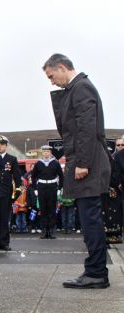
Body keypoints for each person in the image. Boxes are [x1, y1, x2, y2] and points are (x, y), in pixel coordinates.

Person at [43, 53, 111, 289]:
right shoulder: (76, 88)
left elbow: (86, 128)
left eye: (51, 76)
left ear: (61, 67)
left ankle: (96, 273)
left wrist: (82, 163)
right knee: (89, 218)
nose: (51, 81)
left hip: (88, 163)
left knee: (90, 219)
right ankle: (95, 270)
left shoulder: (81, 87)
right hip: (87, 161)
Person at [31, 145, 64, 239]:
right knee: (43, 209)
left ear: (50, 152)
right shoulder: (38, 163)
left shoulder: (55, 163)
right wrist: (35, 189)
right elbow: (33, 177)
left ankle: (51, 231)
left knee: (52, 209)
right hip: (41, 188)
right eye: (44, 151)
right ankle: (45, 230)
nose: (46, 153)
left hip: (52, 187)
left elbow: (61, 176)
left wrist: (59, 189)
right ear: (42, 152)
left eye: (48, 151)